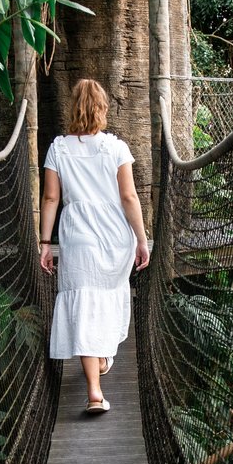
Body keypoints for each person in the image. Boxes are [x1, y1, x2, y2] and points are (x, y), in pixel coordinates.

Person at [39, 78, 150, 414]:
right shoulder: (116, 148)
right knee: (106, 297)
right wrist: (142, 240)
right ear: (103, 108)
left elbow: (51, 197)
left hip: (78, 237)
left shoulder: (58, 148)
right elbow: (129, 197)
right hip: (115, 235)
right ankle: (99, 371)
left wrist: (45, 242)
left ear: (73, 108)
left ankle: (95, 388)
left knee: (84, 304)